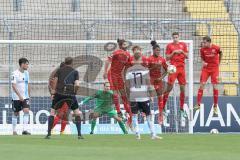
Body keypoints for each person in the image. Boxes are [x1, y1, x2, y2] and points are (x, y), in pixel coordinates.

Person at [125, 45, 162, 140]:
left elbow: (127, 86)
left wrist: (129, 96)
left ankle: (137, 134)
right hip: (144, 96)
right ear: (141, 59)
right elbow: (148, 84)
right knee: (149, 115)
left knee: (134, 116)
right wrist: (151, 95)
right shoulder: (145, 70)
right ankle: (153, 134)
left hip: (133, 96)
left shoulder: (129, 71)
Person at [45, 57, 83, 139]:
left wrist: (53, 91)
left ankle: (48, 134)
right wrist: (75, 91)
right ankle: (79, 134)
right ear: (72, 63)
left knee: (52, 112)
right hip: (70, 94)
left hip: (59, 93)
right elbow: (77, 84)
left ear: (65, 62)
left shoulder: (59, 70)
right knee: (77, 113)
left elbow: (54, 81)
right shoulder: (75, 72)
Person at [103, 39, 132, 126]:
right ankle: (119, 111)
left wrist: (126, 77)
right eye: (124, 44)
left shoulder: (128, 54)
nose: (126, 45)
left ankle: (128, 113)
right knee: (115, 93)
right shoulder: (117, 52)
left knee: (124, 95)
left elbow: (127, 66)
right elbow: (108, 60)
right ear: (121, 45)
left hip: (120, 75)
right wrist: (105, 72)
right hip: (112, 74)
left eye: (126, 43)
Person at [195, 36, 222, 116]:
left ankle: (215, 106)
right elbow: (202, 58)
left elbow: (221, 53)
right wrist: (203, 62)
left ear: (209, 42)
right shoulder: (202, 49)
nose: (203, 43)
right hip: (206, 69)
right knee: (202, 85)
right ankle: (198, 104)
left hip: (214, 69)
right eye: (203, 42)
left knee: (215, 86)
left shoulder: (216, 48)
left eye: (204, 42)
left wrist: (219, 62)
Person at [163, 32, 188, 119]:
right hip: (173, 68)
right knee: (169, 88)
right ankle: (162, 107)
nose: (175, 39)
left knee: (183, 89)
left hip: (181, 68)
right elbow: (167, 57)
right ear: (172, 38)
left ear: (179, 37)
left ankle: (181, 109)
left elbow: (187, 56)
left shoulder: (183, 45)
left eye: (176, 37)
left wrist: (182, 52)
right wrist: (173, 52)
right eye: (174, 37)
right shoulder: (169, 46)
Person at [147, 41, 168, 125]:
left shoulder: (162, 59)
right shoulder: (149, 59)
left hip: (158, 81)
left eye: (159, 50)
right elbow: (146, 70)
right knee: (149, 99)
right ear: (153, 50)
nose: (158, 52)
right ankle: (146, 114)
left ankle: (160, 117)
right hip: (151, 81)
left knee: (160, 97)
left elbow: (167, 70)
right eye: (156, 50)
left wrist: (161, 77)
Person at [11, 58, 31, 135]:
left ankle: (24, 130)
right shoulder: (14, 73)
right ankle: (14, 130)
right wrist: (19, 96)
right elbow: (13, 85)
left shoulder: (27, 73)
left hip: (25, 96)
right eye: (26, 64)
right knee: (16, 113)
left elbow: (28, 84)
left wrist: (29, 96)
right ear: (22, 64)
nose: (27, 66)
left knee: (26, 111)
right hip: (16, 97)